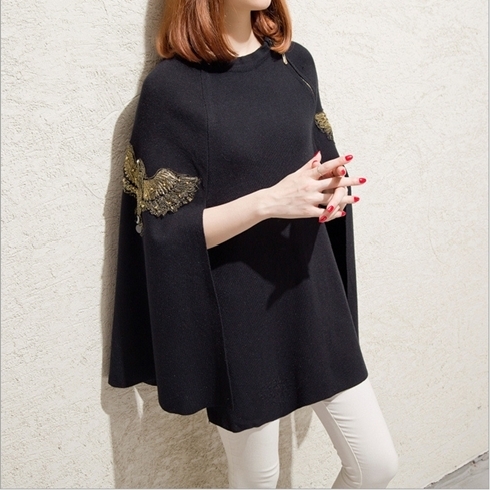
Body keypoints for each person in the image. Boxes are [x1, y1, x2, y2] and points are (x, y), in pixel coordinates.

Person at [108, 0, 399, 487]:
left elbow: (319, 161)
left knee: (376, 464)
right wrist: (269, 202)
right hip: (239, 314)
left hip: (312, 290)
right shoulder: (171, 89)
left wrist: (333, 192)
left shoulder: (295, 62)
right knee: (259, 480)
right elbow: (164, 232)